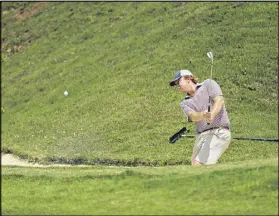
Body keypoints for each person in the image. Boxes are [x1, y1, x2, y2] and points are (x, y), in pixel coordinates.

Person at [169, 69, 231, 166]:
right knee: (195, 166)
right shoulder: (185, 103)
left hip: (219, 132)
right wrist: (203, 115)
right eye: (175, 84)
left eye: (178, 81)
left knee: (199, 164)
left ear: (188, 78)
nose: (177, 85)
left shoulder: (208, 84)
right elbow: (192, 116)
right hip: (201, 136)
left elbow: (219, 100)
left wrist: (212, 114)